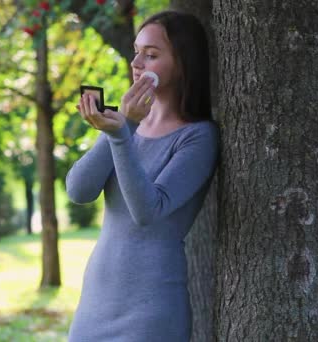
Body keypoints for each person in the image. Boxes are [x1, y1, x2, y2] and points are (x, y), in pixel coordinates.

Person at [66, 10, 219, 342]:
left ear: (183, 63)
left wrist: (122, 133)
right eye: (137, 51)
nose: (137, 62)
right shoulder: (125, 124)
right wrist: (120, 129)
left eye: (151, 55)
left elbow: (148, 212)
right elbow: (79, 190)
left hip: (150, 315)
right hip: (94, 306)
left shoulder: (198, 136)